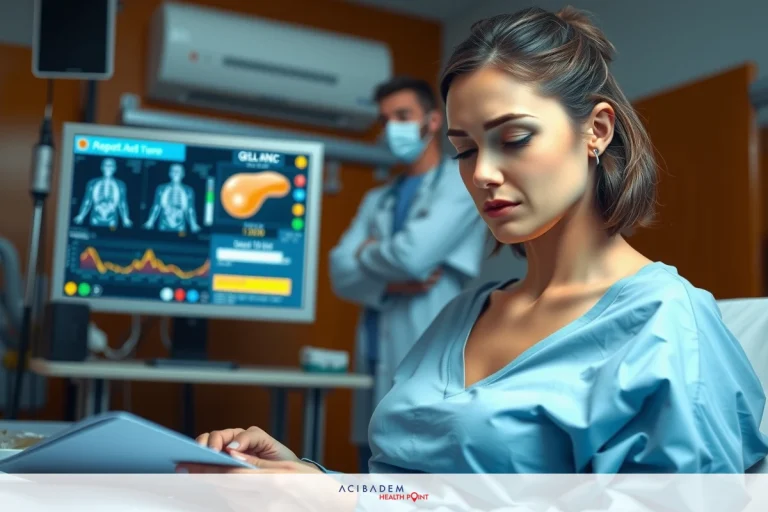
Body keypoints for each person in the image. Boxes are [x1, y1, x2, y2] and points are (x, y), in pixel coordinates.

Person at [177, 6, 768, 475]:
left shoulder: (665, 326)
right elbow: (407, 491)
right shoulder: (462, 316)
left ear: (597, 129)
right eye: (464, 150)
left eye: (513, 137)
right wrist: (315, 481)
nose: (481, 173)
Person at [328, 76, 487, 472]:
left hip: (431, 348)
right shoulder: (377, 196)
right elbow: (338, 271)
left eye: (402, 115)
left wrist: (366, 255)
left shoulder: (461, 181)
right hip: (373, 349)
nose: (391, 128)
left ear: (433, 121)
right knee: (370, 467)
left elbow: (412, 256)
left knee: (417, 473)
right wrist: (391, 282)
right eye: (384, 119)